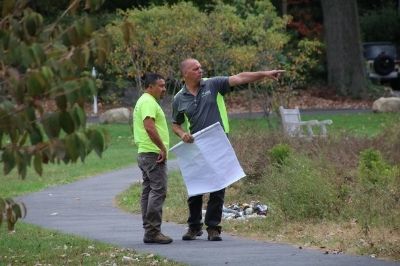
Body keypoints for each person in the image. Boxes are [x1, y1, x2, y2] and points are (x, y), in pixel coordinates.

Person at [172, 58, 284, 241]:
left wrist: (264, 74)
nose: (201, 70)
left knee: (218, 185)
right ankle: (194, 226)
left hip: (217, 142)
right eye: (195, 69)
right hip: (196, 145)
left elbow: (240, 78)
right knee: (196, 188)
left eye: (201, 67)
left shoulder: (212, 84)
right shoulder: (179, 98)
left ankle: (213, 227)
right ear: (185, 74)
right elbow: (175, 124)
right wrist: (183, 134)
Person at [133, 73, 172, 244]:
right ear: (150, 87)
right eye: (161, 86)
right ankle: (153, 231)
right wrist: (162, 147)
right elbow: (149, 127)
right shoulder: (148, 101)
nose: (164, 89)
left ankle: (149, 230)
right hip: (152, 153)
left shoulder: (143, 100)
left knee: (148, 191)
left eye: (164, 85)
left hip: (145, 152)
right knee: (158, 191)